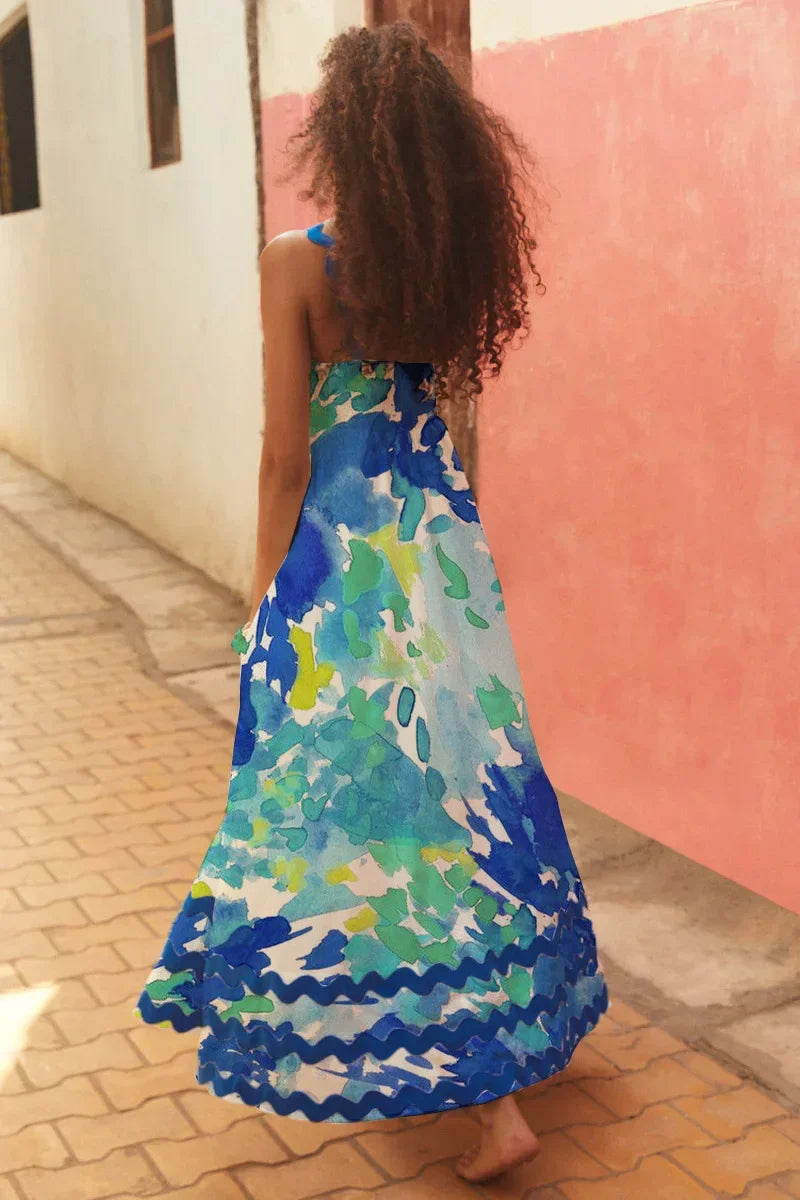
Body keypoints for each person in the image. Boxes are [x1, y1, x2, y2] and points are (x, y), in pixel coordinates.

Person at [133, 20, 610, 1185]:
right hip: (436, 553)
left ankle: (483, 1100)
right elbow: (430, 422)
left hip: (340, 566)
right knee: (466, 786)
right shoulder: (433, 266)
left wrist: (260, 604)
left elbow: (284, 460)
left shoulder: (297, 260)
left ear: (343, 135)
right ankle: (503, 1041)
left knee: (350, 802)